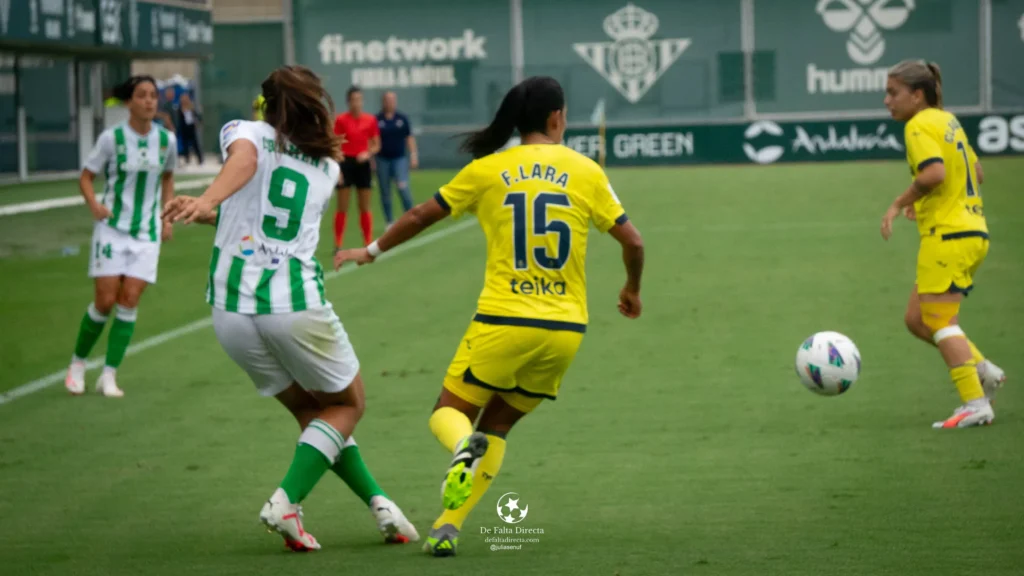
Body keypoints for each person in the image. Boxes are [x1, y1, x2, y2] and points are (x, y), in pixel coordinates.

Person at [335, 76, 645, 556]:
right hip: (565, 331)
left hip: (503, 320)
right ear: (556, 118)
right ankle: (447, 528)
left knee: (449, 413)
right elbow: (634, 242)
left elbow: (419, 215)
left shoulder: (488, 169)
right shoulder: (585, 170)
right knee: (496, 427)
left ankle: (462, 449)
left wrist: (371, 250)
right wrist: (631, 289)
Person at [161, 65, 418, 551]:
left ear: (267, 105)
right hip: (292, 304)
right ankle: (286, 501)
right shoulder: (327, 167)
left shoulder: (245, 132)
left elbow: (246, 167)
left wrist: (206, 202)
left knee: (315, 413)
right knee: (348, 404)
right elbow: (253, 181)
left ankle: (381, 505)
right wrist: (211, 202)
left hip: (231, 313)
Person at [881, 60, 1006, 429]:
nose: (886, 100)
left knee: (938, 319)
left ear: (917, 96)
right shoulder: (947, 120)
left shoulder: (919, 125)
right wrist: (927, 204)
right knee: (917, 319)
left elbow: (934, 173)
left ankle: (975, 402)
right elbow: (976, 172)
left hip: (949, 235)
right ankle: (983, 370)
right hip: (971, 231)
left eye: (893, 93)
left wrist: (900, 203)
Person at [64, 76, 177, 398]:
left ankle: (109, 375)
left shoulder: (167, 140)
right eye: (142, 96)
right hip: (112, 229)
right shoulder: (111, 139)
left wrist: (167, 216)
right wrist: (94, 204)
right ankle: (77, 364)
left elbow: (168, 178)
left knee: (129, 300)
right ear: (129, 102)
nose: (149, 101)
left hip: (147, 233)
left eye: (153, 96)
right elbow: (86, 177)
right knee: (104, 301)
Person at [332, 85, 380, 249]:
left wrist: (367, 153)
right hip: (346, 163)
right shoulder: (341, 120)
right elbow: (336, 144)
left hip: (362, 163)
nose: (356, 103)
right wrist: (338, 164)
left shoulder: (370, 120)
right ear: (348, 102)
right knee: (342, 205)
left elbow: (376, 144)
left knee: (365, 205)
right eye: (353, 100)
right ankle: (338, 243)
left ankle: (367, 242)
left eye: (359, 100)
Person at [375, 91, 417, 228]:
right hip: (382, 159)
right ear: (383, 101)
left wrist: (413, 155)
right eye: (387, 100)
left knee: (403, 187)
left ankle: (411, 216)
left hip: (399, 158)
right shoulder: (377, 119)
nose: (390, 102)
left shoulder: (402, 118)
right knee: (385, 192)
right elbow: (372, 140)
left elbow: (409, 137)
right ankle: (389, 221)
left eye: (392, 100)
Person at [176, 93, 204, 165]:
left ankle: (200, 159)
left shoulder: (191, 107)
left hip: (191, 127)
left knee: (195, 144)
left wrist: (197, 123)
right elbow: (179, 118)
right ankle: (187, 158)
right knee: (185, 144)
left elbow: (197, 116)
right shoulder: (180, 108)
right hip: (184, 128)